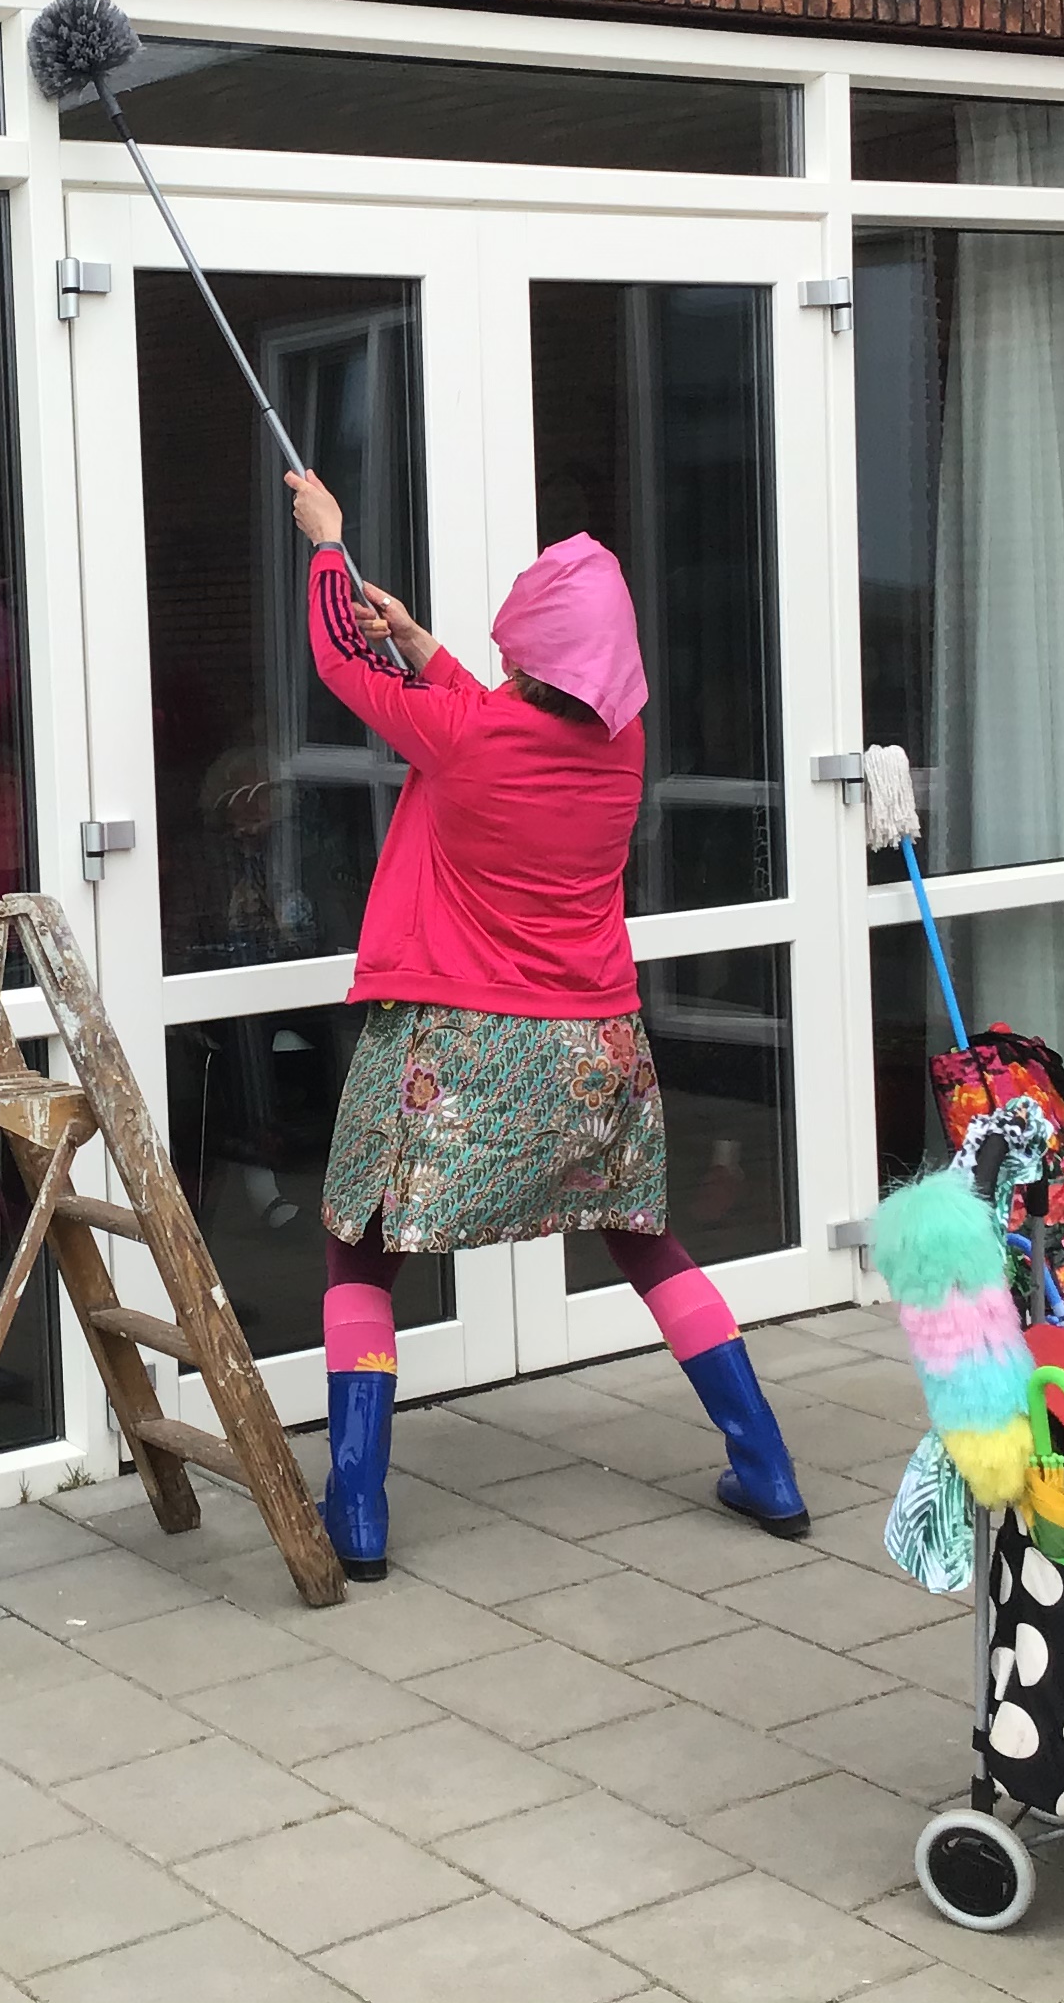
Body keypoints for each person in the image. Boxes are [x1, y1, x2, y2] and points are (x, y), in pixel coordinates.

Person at [283, 469, 807, 1580]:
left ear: (529, 652)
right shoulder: (624, 744)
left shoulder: (466, 737)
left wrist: (329, 545)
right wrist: (419, 643)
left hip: (460, 1042)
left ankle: (358, 1508)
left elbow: (338, 662)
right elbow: (502, 720)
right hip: (599, 1046)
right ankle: (767, 1465)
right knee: (643, 1238)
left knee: (359, 1245)